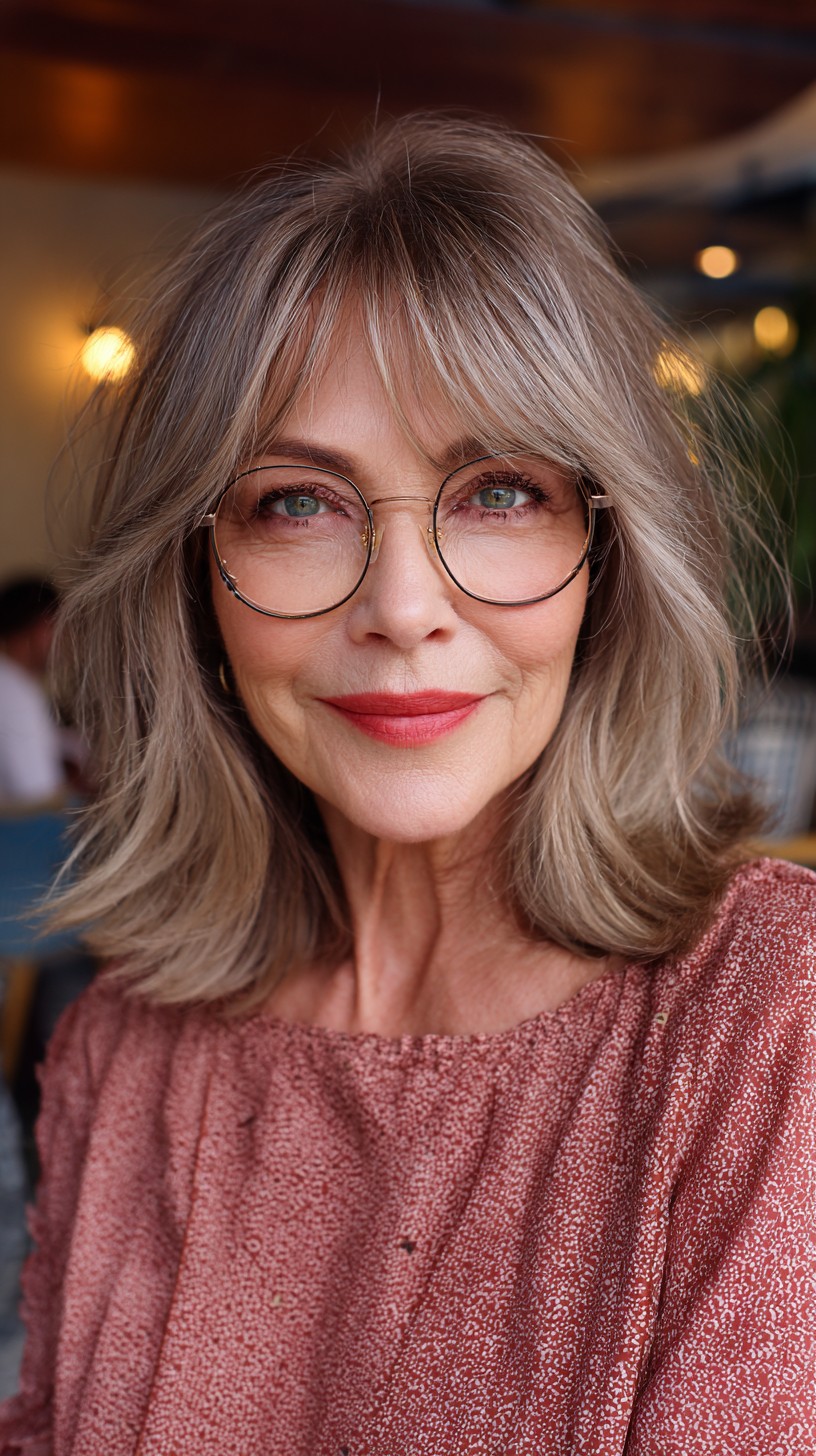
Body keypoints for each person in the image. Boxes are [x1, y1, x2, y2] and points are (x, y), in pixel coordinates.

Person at [0, 114, 814, 1455]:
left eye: (499, 491)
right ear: (195, 580)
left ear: (608, 548)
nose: (401, 609)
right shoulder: (126, 1045)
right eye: (297, 504)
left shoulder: (767, 1024)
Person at [0, 579, 65, 807]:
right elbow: (40, 797)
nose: (64, 639)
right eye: (56, 626)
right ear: (38, 629)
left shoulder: (13, 684)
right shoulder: (14, 697)